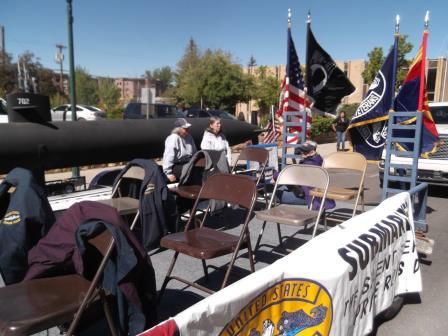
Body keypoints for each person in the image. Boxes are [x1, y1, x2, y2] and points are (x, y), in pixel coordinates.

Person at [162, 118, 197, 183]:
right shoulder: (173, 138)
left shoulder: (189, 136)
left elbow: (194, 152)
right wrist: (168, 173)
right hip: (176, 165)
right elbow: (168, 157)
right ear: (178, 129)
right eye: (185, 128)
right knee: (193, 174)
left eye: (187, 128)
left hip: (188, 164)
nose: (187, 130)